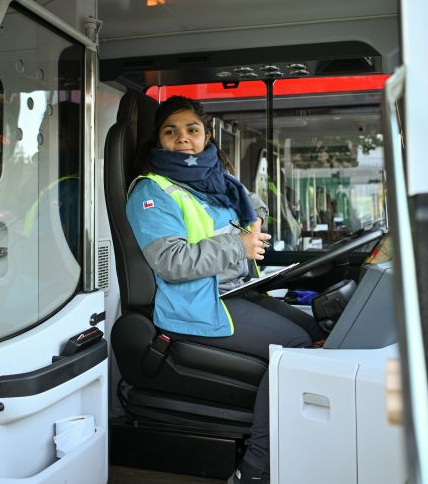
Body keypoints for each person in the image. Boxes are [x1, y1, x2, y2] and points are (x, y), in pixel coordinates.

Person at [125, 96, 326, 484]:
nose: (182, 138)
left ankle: (306, 447)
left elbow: (255, 204)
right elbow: (172, 262)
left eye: (192, 130)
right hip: (194, 304)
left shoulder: (217, 178)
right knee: (294, 351)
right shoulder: (151, 192)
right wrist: (239, 246)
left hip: (237, 290)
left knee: (319, 332)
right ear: (159, 140)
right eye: (171, 132)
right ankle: (256, 469)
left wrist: (254, 224)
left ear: (206, 136)